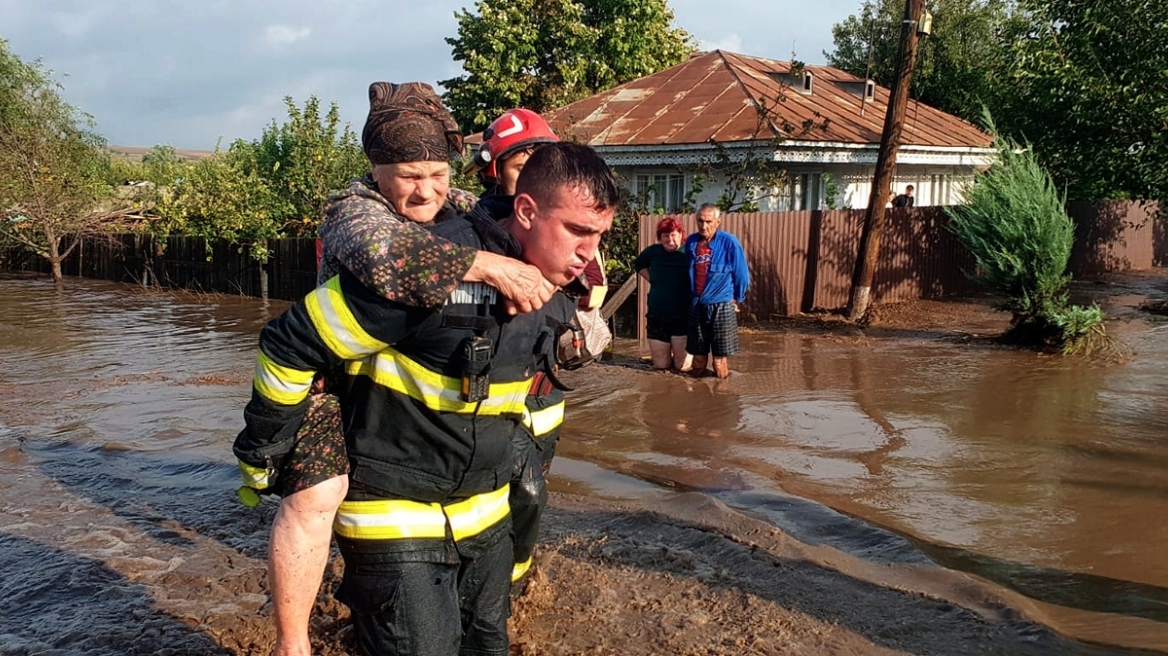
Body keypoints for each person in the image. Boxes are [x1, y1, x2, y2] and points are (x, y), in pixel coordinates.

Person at [235, 140, 619, 656]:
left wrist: (581, 337)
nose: (589, 254)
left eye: (599, 236)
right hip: (395, 516)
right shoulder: (426, 273)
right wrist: (266, 448)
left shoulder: (556, 280)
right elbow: (288, 343)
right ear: (527, 211)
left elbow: (538, 385)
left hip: (484, 515)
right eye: (579, 231)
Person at [685, 203, 750, 379]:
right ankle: (697, 397)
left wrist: (737, 299)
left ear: (718, 222)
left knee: (719, 361)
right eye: (700, 221)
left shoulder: (730, 242)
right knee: (697, 359)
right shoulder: (691, 242)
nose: (704, 226)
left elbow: (742, 276)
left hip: (722, 305)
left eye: (708, 221)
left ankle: (721, 399)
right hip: (697, 305)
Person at [634, 217, 692, 371]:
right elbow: (639, 265)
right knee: (661, 366)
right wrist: (652, 278)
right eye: (665, 235)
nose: (669, 239)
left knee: (683, 367)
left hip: (683, 316)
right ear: (660, 237)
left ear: (680, 235)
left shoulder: (689, 252)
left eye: (673, 234)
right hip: (657, 315)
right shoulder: (652, 252)